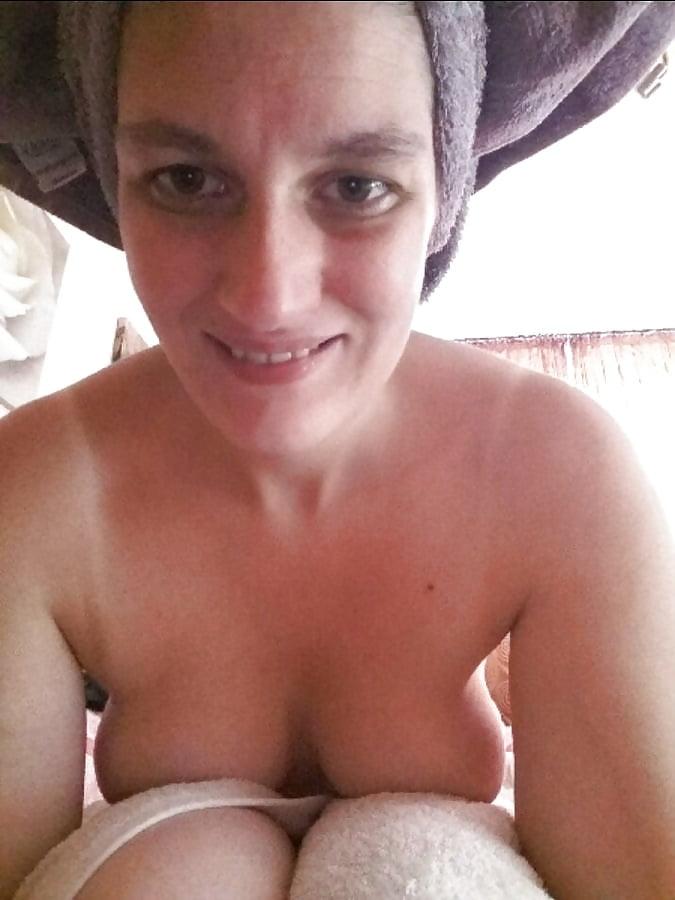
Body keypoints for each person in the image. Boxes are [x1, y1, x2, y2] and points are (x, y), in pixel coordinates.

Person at [1, 2, 674, 897]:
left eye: (356, 186)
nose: (268, 297)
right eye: (187, 180)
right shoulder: (36, 488)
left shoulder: (563, 476)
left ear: (441, 194)